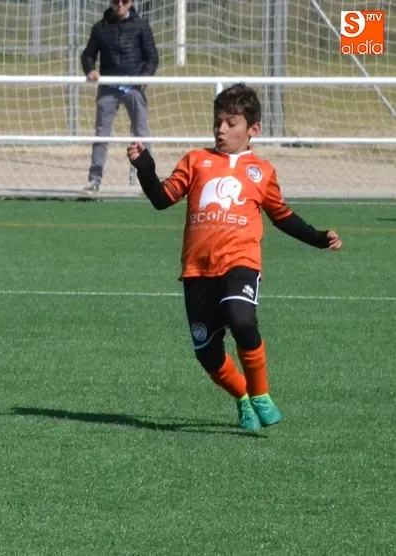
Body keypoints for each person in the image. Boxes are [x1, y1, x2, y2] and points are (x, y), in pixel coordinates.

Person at [126, 83, 343, 431]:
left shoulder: (262, 171)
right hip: (197, 270)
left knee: (242, 320)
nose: (221, 130)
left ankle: (261, 394)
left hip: (241, 261)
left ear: (253, 129)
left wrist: (319, 238)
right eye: (218, 122)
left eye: (231, 123)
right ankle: (243, 397)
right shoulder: (196, 161)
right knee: (207, 353)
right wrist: (145, 166)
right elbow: (162, 199)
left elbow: (282, 216)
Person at [81, 0, 158, 194]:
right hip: (108, 88)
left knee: (141, 133)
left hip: (134, 88)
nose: (120, 5)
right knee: (101, 134)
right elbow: (88, 55)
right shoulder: (100, 28)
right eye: (116, 1)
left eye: (124, 1)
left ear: (130, 3)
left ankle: (148, 181)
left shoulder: (141, 26)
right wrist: (90, 70)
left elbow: (152, 57)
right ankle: (94, 180)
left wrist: (144, 78)